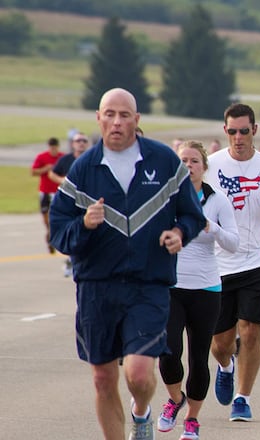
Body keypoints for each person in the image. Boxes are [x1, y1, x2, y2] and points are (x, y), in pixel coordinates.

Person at [48, 87, 206, 440]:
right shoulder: (83, 169)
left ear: (137, 120)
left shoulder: (164, 161)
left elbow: (192, 215)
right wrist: (84, 226)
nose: (117, 122)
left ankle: (142, 411)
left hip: (147, 285)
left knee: (137, 374)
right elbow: (59, 232)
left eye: (124, 115)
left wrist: (180, 232)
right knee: (103, 378)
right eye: (110, 114)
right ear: (99, 119)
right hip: (96, 287)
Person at [203, 103, 260, 422]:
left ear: (254, 130)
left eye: (244, 131)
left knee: (251, 331)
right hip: (217, 264)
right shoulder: (210, 166)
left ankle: (243, 397)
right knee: (221, 344)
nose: (238, 137)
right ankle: (225, 367)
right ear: (225, 130)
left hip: (256, 260)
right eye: (232, 131)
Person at [157, 141, 239, 440]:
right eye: (184, 161)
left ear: (204, 167)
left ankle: (192, 419)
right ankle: (175, 399)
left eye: (194, 161)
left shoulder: (218, 201)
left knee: (198, 356)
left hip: (207, 287)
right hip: (172, 285)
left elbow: (233, 242)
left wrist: (211, 228)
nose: (189, 165)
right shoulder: (167, 199)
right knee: (168, 352)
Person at [48, 132, 91, 277]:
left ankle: (73, 260)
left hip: (85, 202)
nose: (81, 143)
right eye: (78, 140)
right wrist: (63, 182)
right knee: (71, 230)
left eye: (84, 140)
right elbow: (52, 173)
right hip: (69, 202)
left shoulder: (91, 159)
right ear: (72, 144)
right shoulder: (66, 160)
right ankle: (71, 259)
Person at [31, 136, 64, 253]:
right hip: (45, 191)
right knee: (46, 218)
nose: (53, 150)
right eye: (51, 148)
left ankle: (53, 237)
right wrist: (45, 168)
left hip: (58, 192)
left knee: (55, 216)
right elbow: (33, 171)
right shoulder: (42, 157)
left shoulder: (62, 158)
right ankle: (50, 232)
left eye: (55, 148)